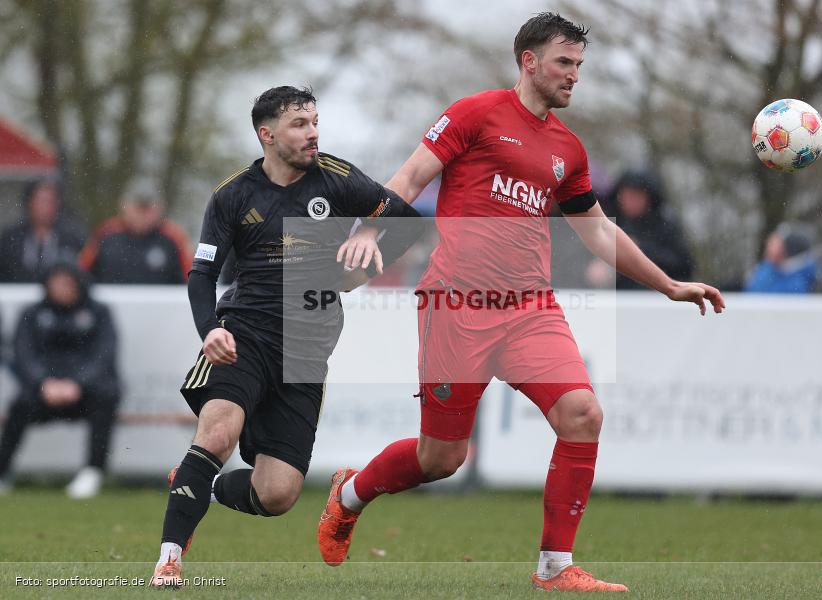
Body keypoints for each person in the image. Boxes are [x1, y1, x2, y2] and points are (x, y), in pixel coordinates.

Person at [317, 13, 724, 593]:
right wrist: (367, 230)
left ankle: (555, 567)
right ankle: (351, 494)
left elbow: (600, 231)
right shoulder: (474, 113)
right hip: (456, 305)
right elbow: (409, 177)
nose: (574, 76)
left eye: (580, 66)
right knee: (441, 459)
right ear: (529, 61)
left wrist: (669, 284)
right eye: (564, 63)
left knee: (583, 414)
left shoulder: (568, 149)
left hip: (530, 307)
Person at [149, 86, 423, 588]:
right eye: (300, 124)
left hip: (307, 349)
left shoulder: (337, 179)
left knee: (277, 495)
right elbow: (201, 275)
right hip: (243, 335)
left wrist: (367, 233)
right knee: (217, 433)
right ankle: (169, 559)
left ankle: (194, 486)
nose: (313, 132)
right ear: (267, 134)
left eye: (315, 121)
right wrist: (209, 329)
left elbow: (408, 221)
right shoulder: (233, 195)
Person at [0, 262, 119, 498]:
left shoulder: (98, 312)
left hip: (85, 391)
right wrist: (44, 383)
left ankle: (92, 471)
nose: (62, 288)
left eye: (68, 283)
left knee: (106, 396)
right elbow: (23, 354)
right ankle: (2, 472)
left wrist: (77, 383)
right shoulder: (32, 313)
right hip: (43, 391)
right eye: (57, 283)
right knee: (20, 404)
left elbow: (104, 355)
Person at [597, 170, 694, 290]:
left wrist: (639, 248)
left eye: (636, 195)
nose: (630, 200)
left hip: (654, 299)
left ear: (649, 197)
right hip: (614, 299)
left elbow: (683, 266)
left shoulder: (665, 226)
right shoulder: (607, 221)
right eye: (626, 195)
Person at [79, 185, 192, 284]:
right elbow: (81, 273)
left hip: (161, 307)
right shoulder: (106, 233)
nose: (142, 215)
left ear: (160, 208)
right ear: (123, 206)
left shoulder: (174, 237)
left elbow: (193, 278)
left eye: (147, 208)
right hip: (109, 306)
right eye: (137, 207)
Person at [0, 180, 85, 283]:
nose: (45, 207)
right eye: (40, 200)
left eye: (50, 201)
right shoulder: (10, 238)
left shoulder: (73, 237)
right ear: (29, 203)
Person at [745, 222, 817, 293]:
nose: (768, 245)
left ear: (787, 249)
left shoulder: (795, 284)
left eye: (774, 243)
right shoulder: (767, 269)